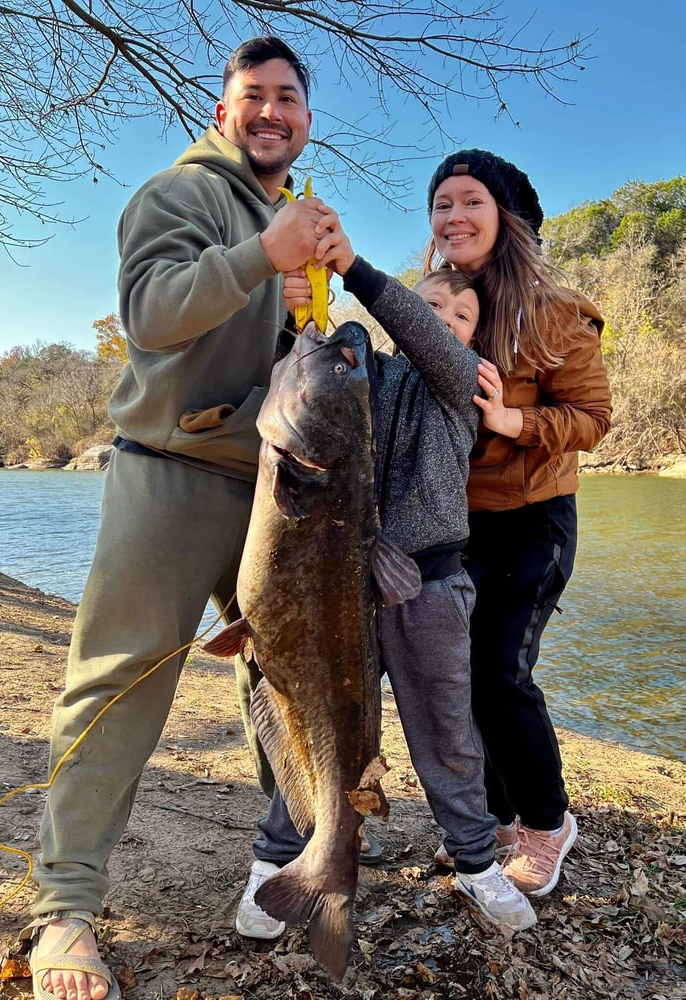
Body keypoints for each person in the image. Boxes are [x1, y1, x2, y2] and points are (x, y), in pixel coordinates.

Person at [22, 35, 331, 1000]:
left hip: (274, 488)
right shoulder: (179, 194)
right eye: (254, 96)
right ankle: (64, 911)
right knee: (118, 685)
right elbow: (151, 315)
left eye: (288, 97)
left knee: (291, 679)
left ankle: (289, 869)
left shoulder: (284, 212)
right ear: (221, 111)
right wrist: (258, 256)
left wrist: (292, 303)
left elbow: (288, 359)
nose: (271, 110)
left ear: (307, 119)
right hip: (170, 471)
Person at [232, 238, 538, 939]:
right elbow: (298, 378)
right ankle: (281, 859)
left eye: (458, 314)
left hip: (428, 586)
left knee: (448, 738)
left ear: (469, 337)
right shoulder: (360, 380)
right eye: (430, 302)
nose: (440, 317)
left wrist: (358, 273)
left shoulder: (463, 383)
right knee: (312, 725)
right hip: (337, 590)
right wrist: (299, 312)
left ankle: (473, 862)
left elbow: (425, 341)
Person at [423, 149, 612, 896]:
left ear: (505, 217)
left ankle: (546, 822)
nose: (453, 217)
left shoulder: (558, 312)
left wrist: (513, 417)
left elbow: (593, 419)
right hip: (449, 524)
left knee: (501, 671)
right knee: (459, 680)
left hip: (533, 519)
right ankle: (495, 823)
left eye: (469, 201)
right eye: (441, 204)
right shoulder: (435, 302)